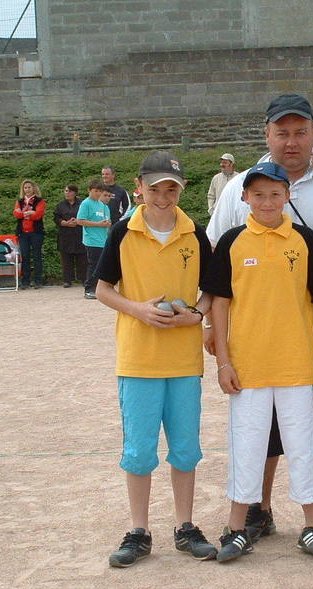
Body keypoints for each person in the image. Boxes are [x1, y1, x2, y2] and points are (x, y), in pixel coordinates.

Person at [206, 93, 313, 543]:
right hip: (258, 345)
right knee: (264, 432)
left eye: (300, 132)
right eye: (282, 132)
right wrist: (210, 328)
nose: (291, 141)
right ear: (267, 134)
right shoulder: (241, 194)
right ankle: (259, 509)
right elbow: (215, 264)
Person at [203, 162, 313, 562]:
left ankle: (312, 526)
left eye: (276, 194)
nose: (267, 201)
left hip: (297, 364)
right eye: (258, 194)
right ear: (244, 197)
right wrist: (224, 362)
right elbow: (219, 305)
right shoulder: (231, 242)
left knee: (302, 444)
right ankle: (237, 527)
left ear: (288, 196)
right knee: (248, 445)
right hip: (248, 367)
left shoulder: (305, 241)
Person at [94, 151, 217, 567]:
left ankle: (185, 526)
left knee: (185, 450)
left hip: (183, 362)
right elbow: (103, 289)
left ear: (181, 190)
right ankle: (139, 531)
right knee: (140, 451)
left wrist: (195, 315)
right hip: (138, 360)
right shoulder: (121, 233)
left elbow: (213, 290)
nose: (163, 197)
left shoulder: (195, 234)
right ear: (139, 187)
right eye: (155, 189)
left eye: (172, 189)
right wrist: (138, 310)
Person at [75, 178, 111, 300]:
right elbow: (80, 220)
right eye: (96, 191)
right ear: (89, 190)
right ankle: (89, 289)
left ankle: (99, 288)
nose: (98, 194)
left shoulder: (104, 206)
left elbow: (107, 220)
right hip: (91, 239)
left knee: (102, 265)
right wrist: (98, 224)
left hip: (103, 239)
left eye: (100, 191)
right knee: (93, 264)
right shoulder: (86, 203)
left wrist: (107, 224)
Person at [13, 180, 47, 289]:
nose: (27, 189)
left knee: (37, 256)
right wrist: (27, 213)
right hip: (23, 233)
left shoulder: (40, 201)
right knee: (25, 256)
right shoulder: (20, 201)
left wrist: (26, 214)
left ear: (33, 188)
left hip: (36, 233)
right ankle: (25, 281)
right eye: (25, 188)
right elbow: (16, 214)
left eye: (29, 187)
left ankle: (38, 280)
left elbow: (38, 214)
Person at [53, 184, 86, 288]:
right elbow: (56, 217)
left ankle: (84, 279)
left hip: (79, 233)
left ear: (75, 192)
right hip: (65, 234)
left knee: (82, 258)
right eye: (65, 191)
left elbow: (87, 215)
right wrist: (65, 223)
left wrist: (78, 221)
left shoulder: (82, 203)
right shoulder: (60, 205)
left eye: (69, 191)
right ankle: (67, 280)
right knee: (66, 258)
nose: (67, 193)